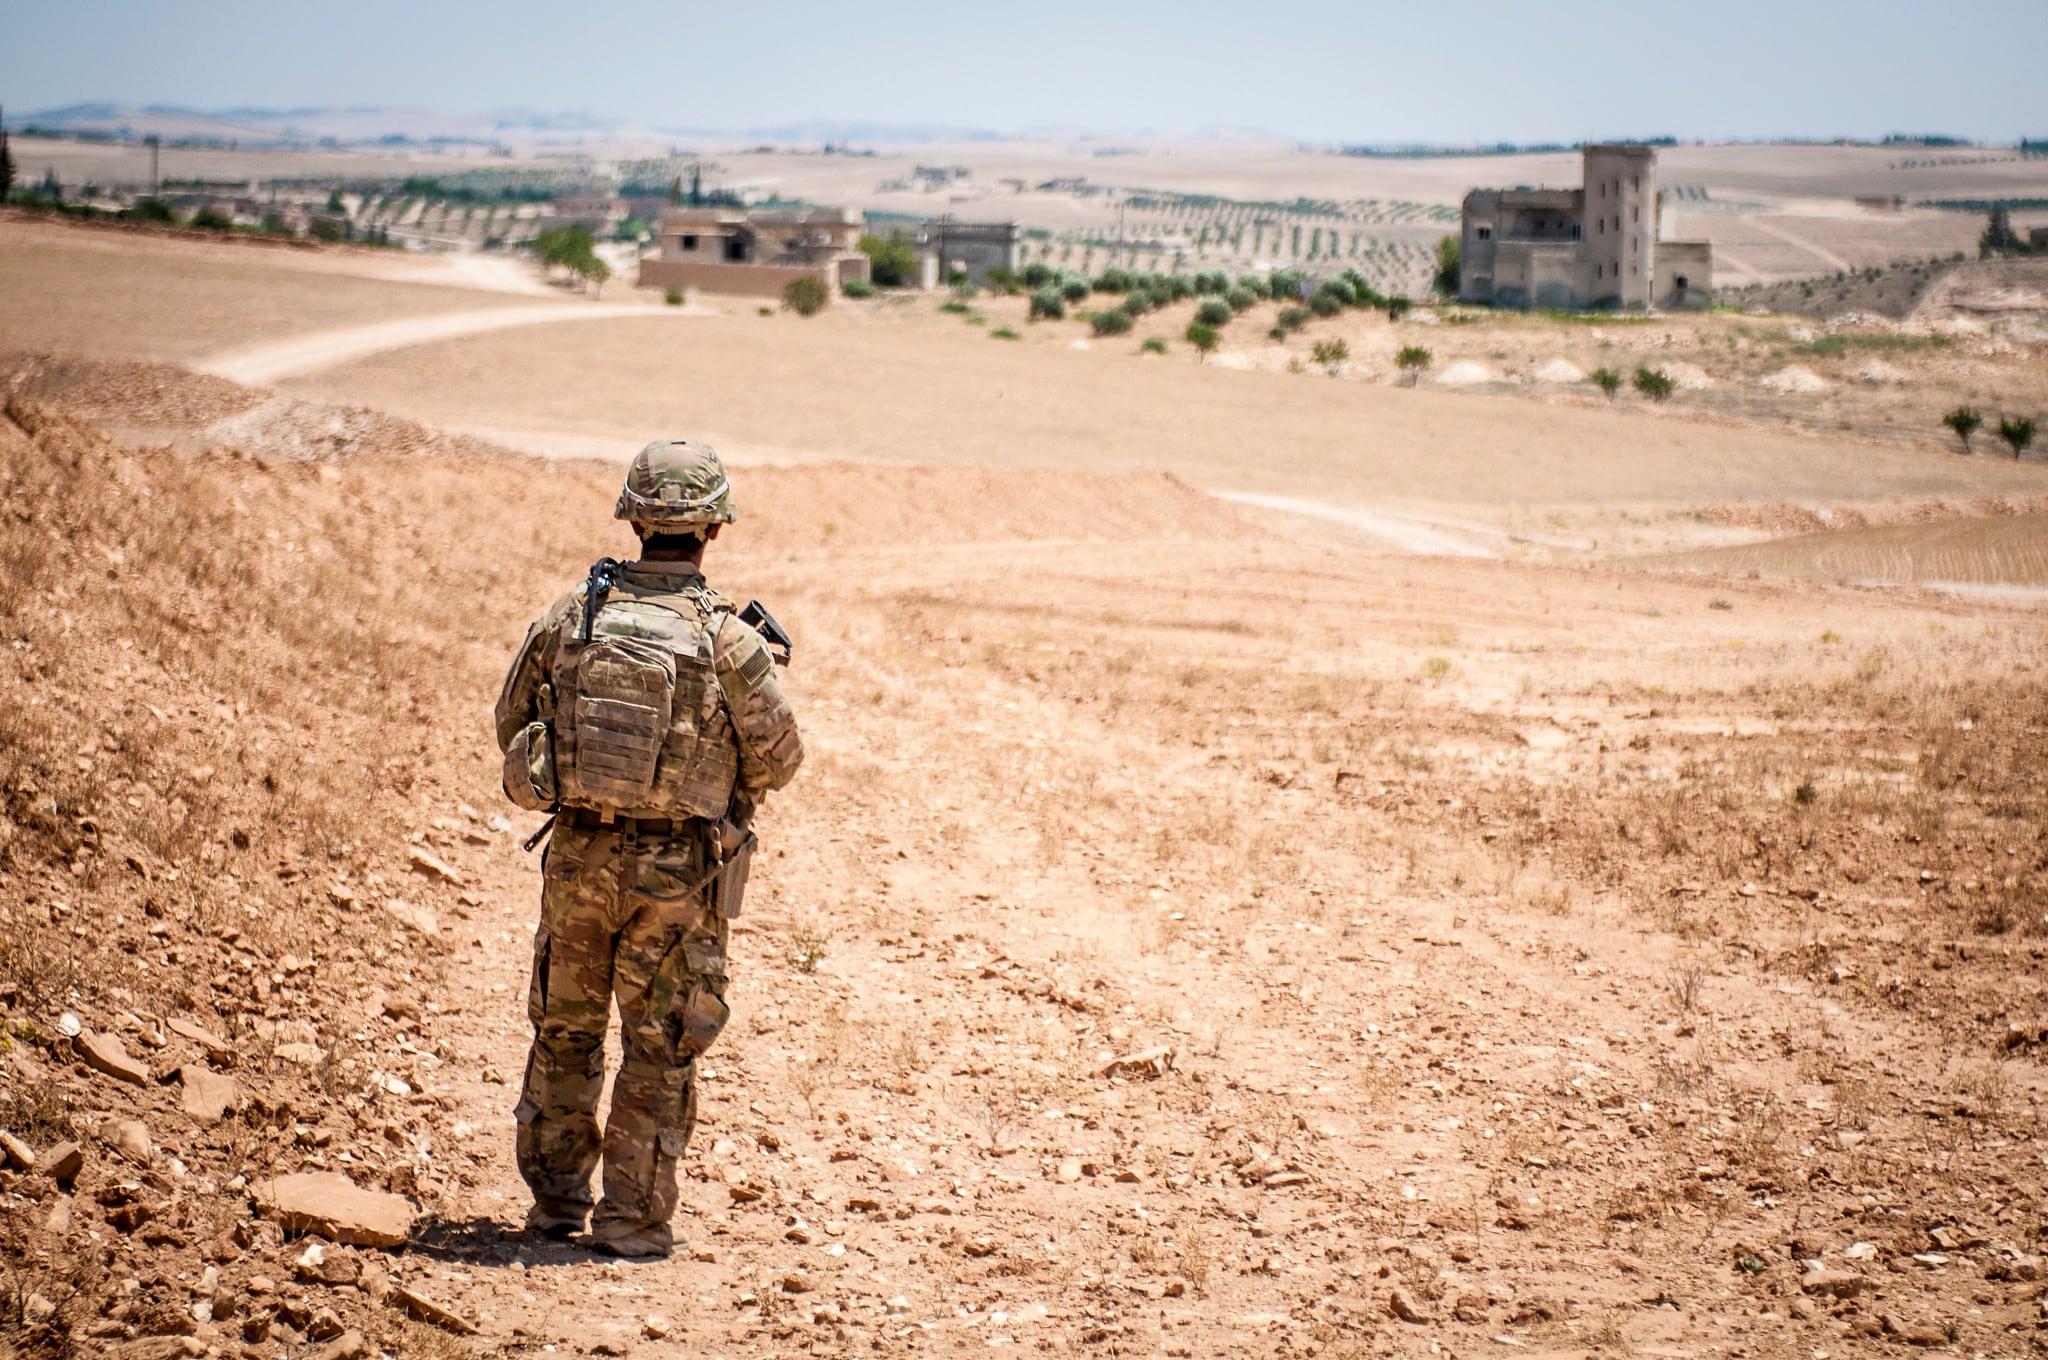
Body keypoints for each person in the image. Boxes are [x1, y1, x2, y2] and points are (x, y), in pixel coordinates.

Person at [494, 439, 803, 1258]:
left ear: (633, 520)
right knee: (659, 1047)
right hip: (678, 876)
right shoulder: (728, 639)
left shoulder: (575, 615)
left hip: (577, 861)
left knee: (565, 1031)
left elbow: (510, 724)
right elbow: (781, 758)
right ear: (714, 528)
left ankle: (555, 1205)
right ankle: (631, 1219)